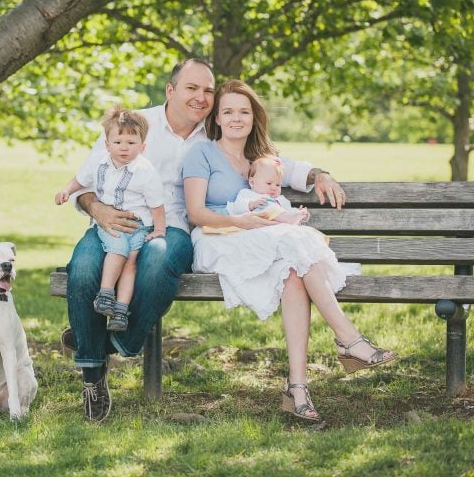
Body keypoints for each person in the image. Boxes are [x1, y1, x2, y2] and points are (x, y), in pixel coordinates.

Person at [62, 59, 345, 422]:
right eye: (192, 88)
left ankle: (105, 345)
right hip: (114, 223)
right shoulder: (133, 124)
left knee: (158, 260)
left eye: (208, 90)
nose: (201, 97)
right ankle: (93, 377)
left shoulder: (216, 134)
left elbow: (273, 161)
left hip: (174, 228)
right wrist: (97, 209)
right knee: (83, 268)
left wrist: (318, 174)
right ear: (170, 91)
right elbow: (85, 183)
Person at [182, 79, 397, 421]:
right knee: (297, 243)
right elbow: (196, 213)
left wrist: (321, 175)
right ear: (217, 118)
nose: (236, 118)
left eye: (244, 111)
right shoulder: (202, 153)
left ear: (254, 117)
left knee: (295, 273)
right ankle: (348, 339)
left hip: (262, 241)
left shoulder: (262, 156)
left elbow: (297, 171)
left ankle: (297, 389)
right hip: (217, 238)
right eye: (228, 111)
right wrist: (242, 222)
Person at [55, 106, 166, 332]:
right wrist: (66, 190)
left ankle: (120, 311)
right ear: (107, 144)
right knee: (118, 249)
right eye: (118, 142)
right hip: (110, 222)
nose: (123, 148)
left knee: (131, 264)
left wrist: (160, 230)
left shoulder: (146, 171)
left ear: (142, 146)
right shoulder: (98, 162)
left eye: (131, 143)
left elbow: (157, 205)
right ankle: (106, 294)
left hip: (138, 226)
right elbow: (80, 179)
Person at [227, 155, 309, 225]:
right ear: (252, 182)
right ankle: (289, 219)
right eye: (269, 183)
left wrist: (298, 213)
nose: (274, 188)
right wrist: (251, 204)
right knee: (266, 206)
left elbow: (287, 211)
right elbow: (237, 207)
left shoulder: (280, 199)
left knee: (283, 212)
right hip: (255, 224)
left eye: (278, 185)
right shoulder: (247, 193)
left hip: (274, 227)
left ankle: (294, 218)